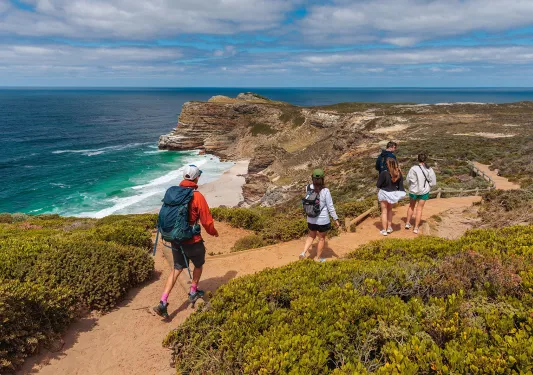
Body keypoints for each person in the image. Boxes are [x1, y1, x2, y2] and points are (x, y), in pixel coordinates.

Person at [153, 165, 219, 318]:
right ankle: (193, 291)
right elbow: (207, 221)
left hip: (175, 239)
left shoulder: (173, 194)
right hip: (192, 240)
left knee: (176, 269)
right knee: (198, 264)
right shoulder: (197, 196)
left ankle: (163, 302)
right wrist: (213, 233)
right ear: (196, 178)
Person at [299, 169, 340, 262]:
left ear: (312, 178)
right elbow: (330, 207)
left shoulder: (308, 187)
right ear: (322, 179)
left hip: (310, 218)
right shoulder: (325, 191)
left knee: (311, 236)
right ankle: (317, 258)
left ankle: (303, 253)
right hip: (323, 220)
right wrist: (335, 219)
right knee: (321, 239)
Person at [406, 153, 437, 234]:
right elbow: (433, 182)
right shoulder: (429, 169)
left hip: (413, 191)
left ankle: (407, 223)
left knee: (411, 206)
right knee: (419, 209)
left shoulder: (413, 168)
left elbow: (408, 180)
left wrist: (411, 187)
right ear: (426, 159)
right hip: (424, 191)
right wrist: (428, 186)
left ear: (418, 159)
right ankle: (416, 228)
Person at [376, 158, 406, 236]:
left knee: (384, 212)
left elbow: (378, 185)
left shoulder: (384, 173)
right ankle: (389, 227)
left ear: (388, 164)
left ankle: (384, 230)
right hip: (392, 194)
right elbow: (401, 186)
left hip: (384, 193)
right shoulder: (398, 173)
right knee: (389, 211)